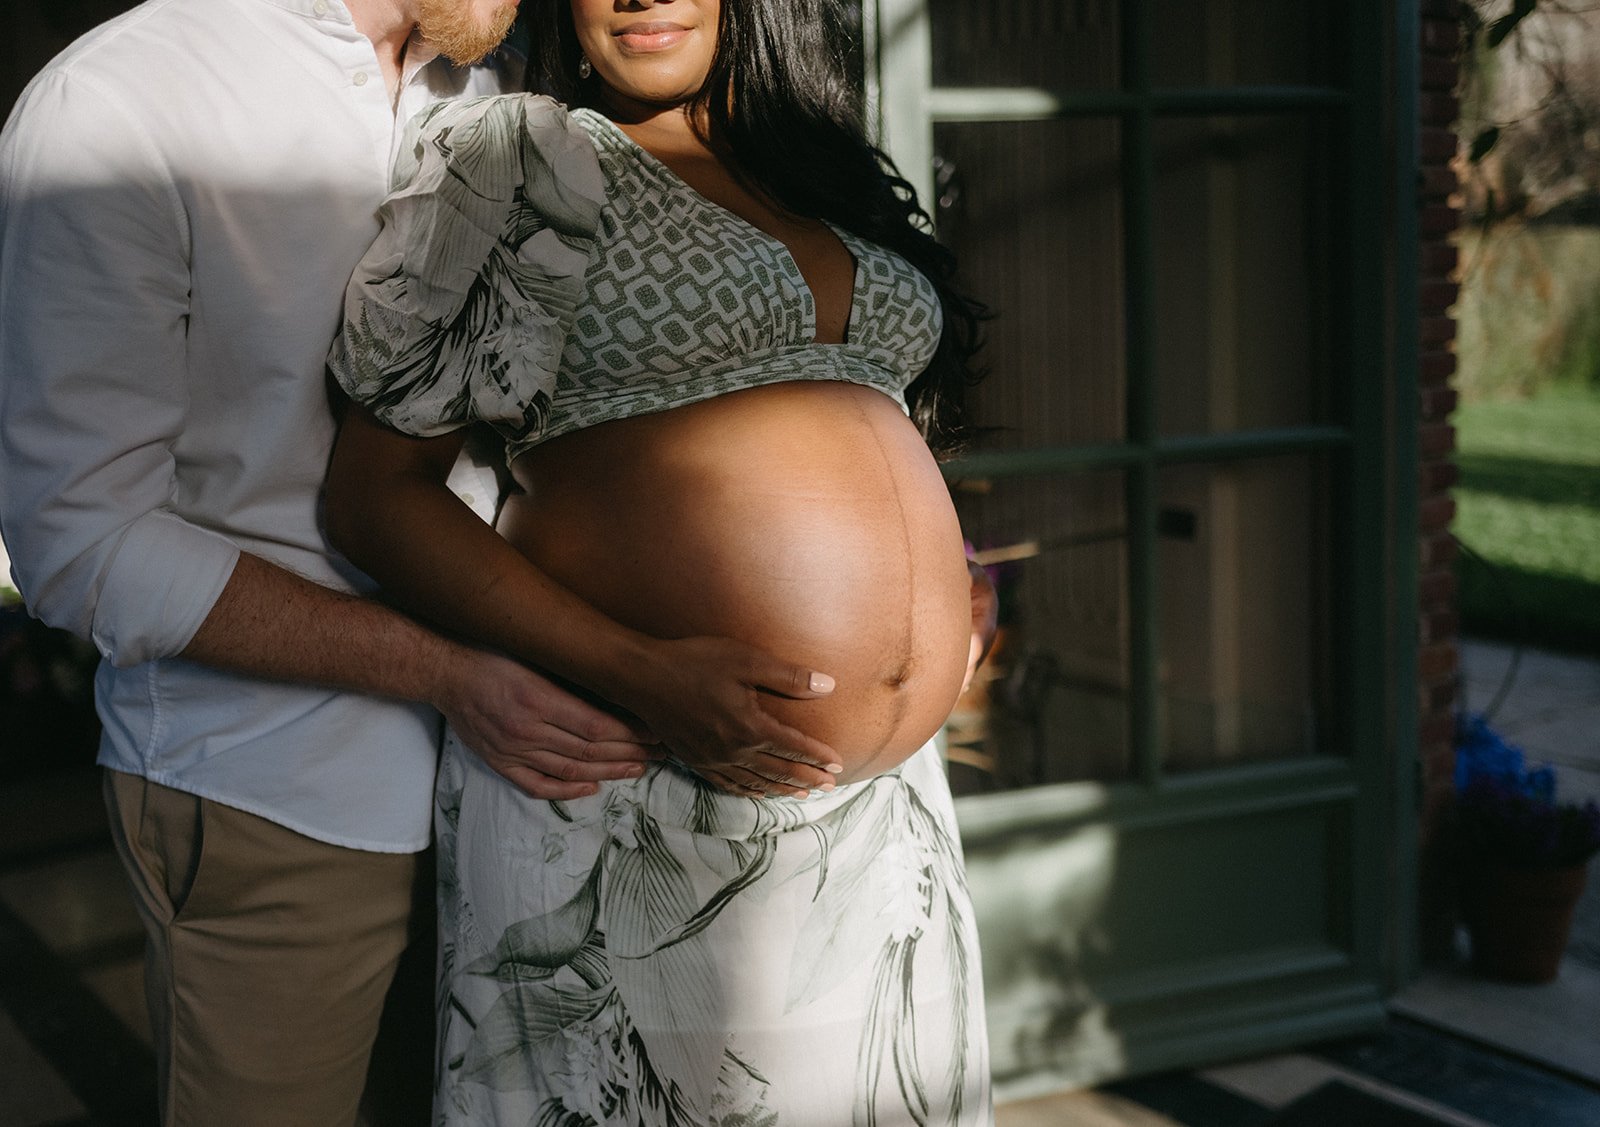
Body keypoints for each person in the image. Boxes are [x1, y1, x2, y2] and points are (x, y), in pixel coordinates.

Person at [0, 1, 845, 1123]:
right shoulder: (121, 101)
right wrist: (446, 672)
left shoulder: (497, 85)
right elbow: (79, 539)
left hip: (537, 798)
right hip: (278, 796)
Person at [323, 0, 996, 1121]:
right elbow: (373, 501)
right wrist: (642, 671)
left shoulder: (821, 169)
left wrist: (941, 573)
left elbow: (869, 430)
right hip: (638, 792)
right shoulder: (522, 163)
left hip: (877, 827)